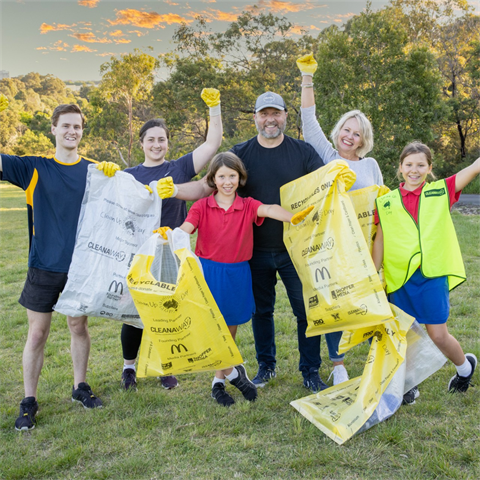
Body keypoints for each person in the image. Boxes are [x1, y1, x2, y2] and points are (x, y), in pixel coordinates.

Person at [157, 92, 328, 393]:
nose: (270, 119)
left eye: (276, 113)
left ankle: (310, 371)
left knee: (305, 311)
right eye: (264, 114)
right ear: (256, 118)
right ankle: (266, 366)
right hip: (254, 252)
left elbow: (324, 183)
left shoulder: (303, 151)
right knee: (263, 311)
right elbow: (206, 185)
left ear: (286, 115)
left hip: (296, 249)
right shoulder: (241, 153)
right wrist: (173, 190)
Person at [0, 101, 120, 431]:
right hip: (43, 266)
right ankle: (29, 401)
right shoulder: (33, 167)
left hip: (81, 269)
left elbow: (129, 200)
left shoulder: (96, 170)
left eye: (77, 126)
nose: (71, 131)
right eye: (65, 125)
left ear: (82, 131)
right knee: (37, 334)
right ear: (53, 129)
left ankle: (80, 387)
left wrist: (115, 176)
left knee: (78, 327)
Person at [160, 152, 313, 406]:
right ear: (213, 179)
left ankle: (218, 383)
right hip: (208, 273)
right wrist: (169, 234)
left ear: (240, 178)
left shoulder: (248, 205)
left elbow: (270, 208)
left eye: (232, 176)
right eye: (222, 176)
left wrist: (292, 217)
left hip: (238, 273)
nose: (227, 181)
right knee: (211, 331)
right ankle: (234, 372)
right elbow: (185, 228)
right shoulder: (201, 206)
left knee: (229, 331)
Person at [119, 88, 223, 391]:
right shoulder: (128, 175)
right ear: (141, 144)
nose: (156, 144)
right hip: (138, 251)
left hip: (170, 251)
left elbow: (213, 143)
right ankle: (129, 367)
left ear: (168, 143)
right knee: (134, 313)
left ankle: (165, 363)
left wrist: (214, 108)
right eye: (150, 139)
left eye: (161, 139)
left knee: (167, 308)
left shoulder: (178, 168)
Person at [297, 53, 384, 385]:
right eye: (346, 129)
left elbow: (381, 202)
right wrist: (308, 77)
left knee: (361, 301)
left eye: (357, 133)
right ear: (339, 131)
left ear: (364, 140)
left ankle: (381, 359)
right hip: (327, 244)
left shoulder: (370, 165)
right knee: (330, 300)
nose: (350, 136)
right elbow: (308, 118)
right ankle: (338, 365)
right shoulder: (325, 155)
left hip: (363, 246)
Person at [372, 141, 479, 404]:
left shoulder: (441, 191)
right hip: (400, 279)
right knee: (405, 337)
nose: (414, 170)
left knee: (437, 334)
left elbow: (475, 167)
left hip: (431, 275)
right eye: (409, 164)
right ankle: (408, 385)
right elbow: (380, 240)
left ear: (430, 168)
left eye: (421, 165)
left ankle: (464, 368)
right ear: (400, 167)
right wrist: (374, 274)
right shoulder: (385, 201)